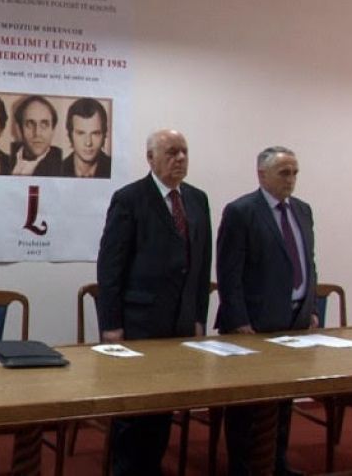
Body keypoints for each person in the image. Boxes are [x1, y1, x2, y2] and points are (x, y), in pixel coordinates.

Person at [96, 129, 212, 475]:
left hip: (180, 323)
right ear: (151, 158)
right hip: (139, 323)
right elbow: (110, 267)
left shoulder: (197, 199)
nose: (180, 158)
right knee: (134, 408)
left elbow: (201, 265)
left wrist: (198, 317)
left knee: (165, 403)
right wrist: (111, 324)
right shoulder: (130, 199)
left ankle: (152, 466)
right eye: (172, 152)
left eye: (184, 152)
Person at [216, 146, 318, 476]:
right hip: (254, 326)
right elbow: (229, 272)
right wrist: (239, 320)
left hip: (293, 323)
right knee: (249, 406)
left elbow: (308, 263)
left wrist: (310, 307)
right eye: (284, 173)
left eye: (295, 173)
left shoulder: (302, 210)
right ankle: (243, 468)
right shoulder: (242, 211)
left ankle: (277, 464)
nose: (291, 179)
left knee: (283, 399)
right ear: (262, 175)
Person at [10, 94, 62, 176]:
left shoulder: (60, 166)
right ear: (19, 129)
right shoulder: (5, 157)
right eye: (30, 124)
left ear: (53, 130)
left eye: (44, 124)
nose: (37, 133)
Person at [61, 97, 111, 178]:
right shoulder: (57, 171)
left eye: (95, 133)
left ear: (104, 134)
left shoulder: (114, 169)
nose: (88, 142)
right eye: (81, 133)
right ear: (70, 135)